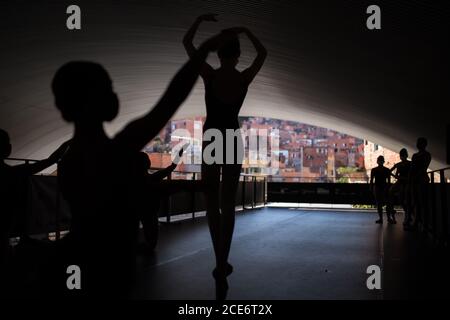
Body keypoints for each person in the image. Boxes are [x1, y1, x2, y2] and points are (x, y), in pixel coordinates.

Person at [51, 32, 228, 297]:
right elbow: (171, 100)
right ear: (98, 100)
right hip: (108, 271)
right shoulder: (115, 150)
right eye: (108, 88)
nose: (114, 95)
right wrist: (203, 50)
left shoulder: (71, 160)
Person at [184, 14, 267, 299]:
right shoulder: (243, 78)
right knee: (229, 204)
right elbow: (263, 53)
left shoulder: (210, 75)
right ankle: (223, 261)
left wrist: (199, 20)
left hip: (211, 136)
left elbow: (187, 43)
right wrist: (245, 28)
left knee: (211, 201)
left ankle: (218, 260)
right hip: (232, 135)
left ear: (219, 53)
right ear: (238, 54)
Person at [0, 129, 70, 295]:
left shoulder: (11, 174)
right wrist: (67, 144)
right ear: (7, 148)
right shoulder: (12, 174)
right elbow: (50, 161)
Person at [135, 145, 186, 250]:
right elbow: (171, 168)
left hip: (141, 210)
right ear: (147, 164)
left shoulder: (136, 181)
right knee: (151, 238)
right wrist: (179, 155)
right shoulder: (153, 178)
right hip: (151, 211)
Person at [409, 137, 431, 231]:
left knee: (421, 202)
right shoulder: (423, 155)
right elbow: (414, 168)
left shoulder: (421, 155)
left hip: (420, 180)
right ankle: (420, 222)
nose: (418, 144)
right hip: (418, 180)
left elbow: (422, 168)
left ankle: (421, 223)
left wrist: (413, 177)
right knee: (418, 202)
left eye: (419, 143)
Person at [386, 148, 412, 227]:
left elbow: (390, 172)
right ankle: (406, 215)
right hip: (404, 182)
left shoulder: (400, 164)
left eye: (402, 156)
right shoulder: (409, 164)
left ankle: (393, 208)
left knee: (401, 198)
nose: (402, 157)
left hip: (404, 182)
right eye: (402, 156)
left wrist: (395, 176)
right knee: (401, 198)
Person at [370, 156, 392, 224]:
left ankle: (381, 219)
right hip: (384, 187)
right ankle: (388, 218)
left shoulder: (374, 170)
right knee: (387, 203)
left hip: (377, 188)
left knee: (379, 204)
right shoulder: (387, 170)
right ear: (383, 162)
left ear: (377, 161)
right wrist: (388, 188)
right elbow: (388, 181)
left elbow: (371, 180)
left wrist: (371, 188)